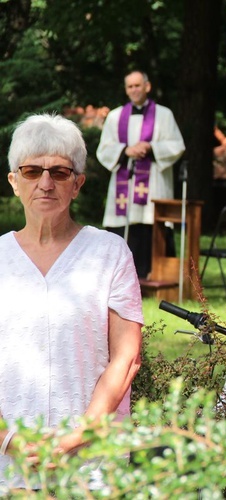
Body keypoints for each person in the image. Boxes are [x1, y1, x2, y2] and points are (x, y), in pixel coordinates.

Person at [0, 114, 143, 490]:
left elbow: (126, 358)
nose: (45, 183)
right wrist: (9, 440)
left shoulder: (109, 253)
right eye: (32, 171)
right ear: (14, 182)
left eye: (60, 173)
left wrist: (76, 437)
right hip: (8, 464)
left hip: (91, 463)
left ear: (77, 184)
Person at [96, 70, 185, 278]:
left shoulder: (164, 115)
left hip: (154, 181)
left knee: (150, 223)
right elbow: (103, 149)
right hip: (125, 182)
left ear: (147, 86)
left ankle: (155, 276)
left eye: (138, 85)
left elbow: (177, 145)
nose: (134, 90)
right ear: (126, 90)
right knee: (124, 228)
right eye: (130, 86)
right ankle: (118, 278)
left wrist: (151, 146)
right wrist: (125, 150)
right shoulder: (115, 116)